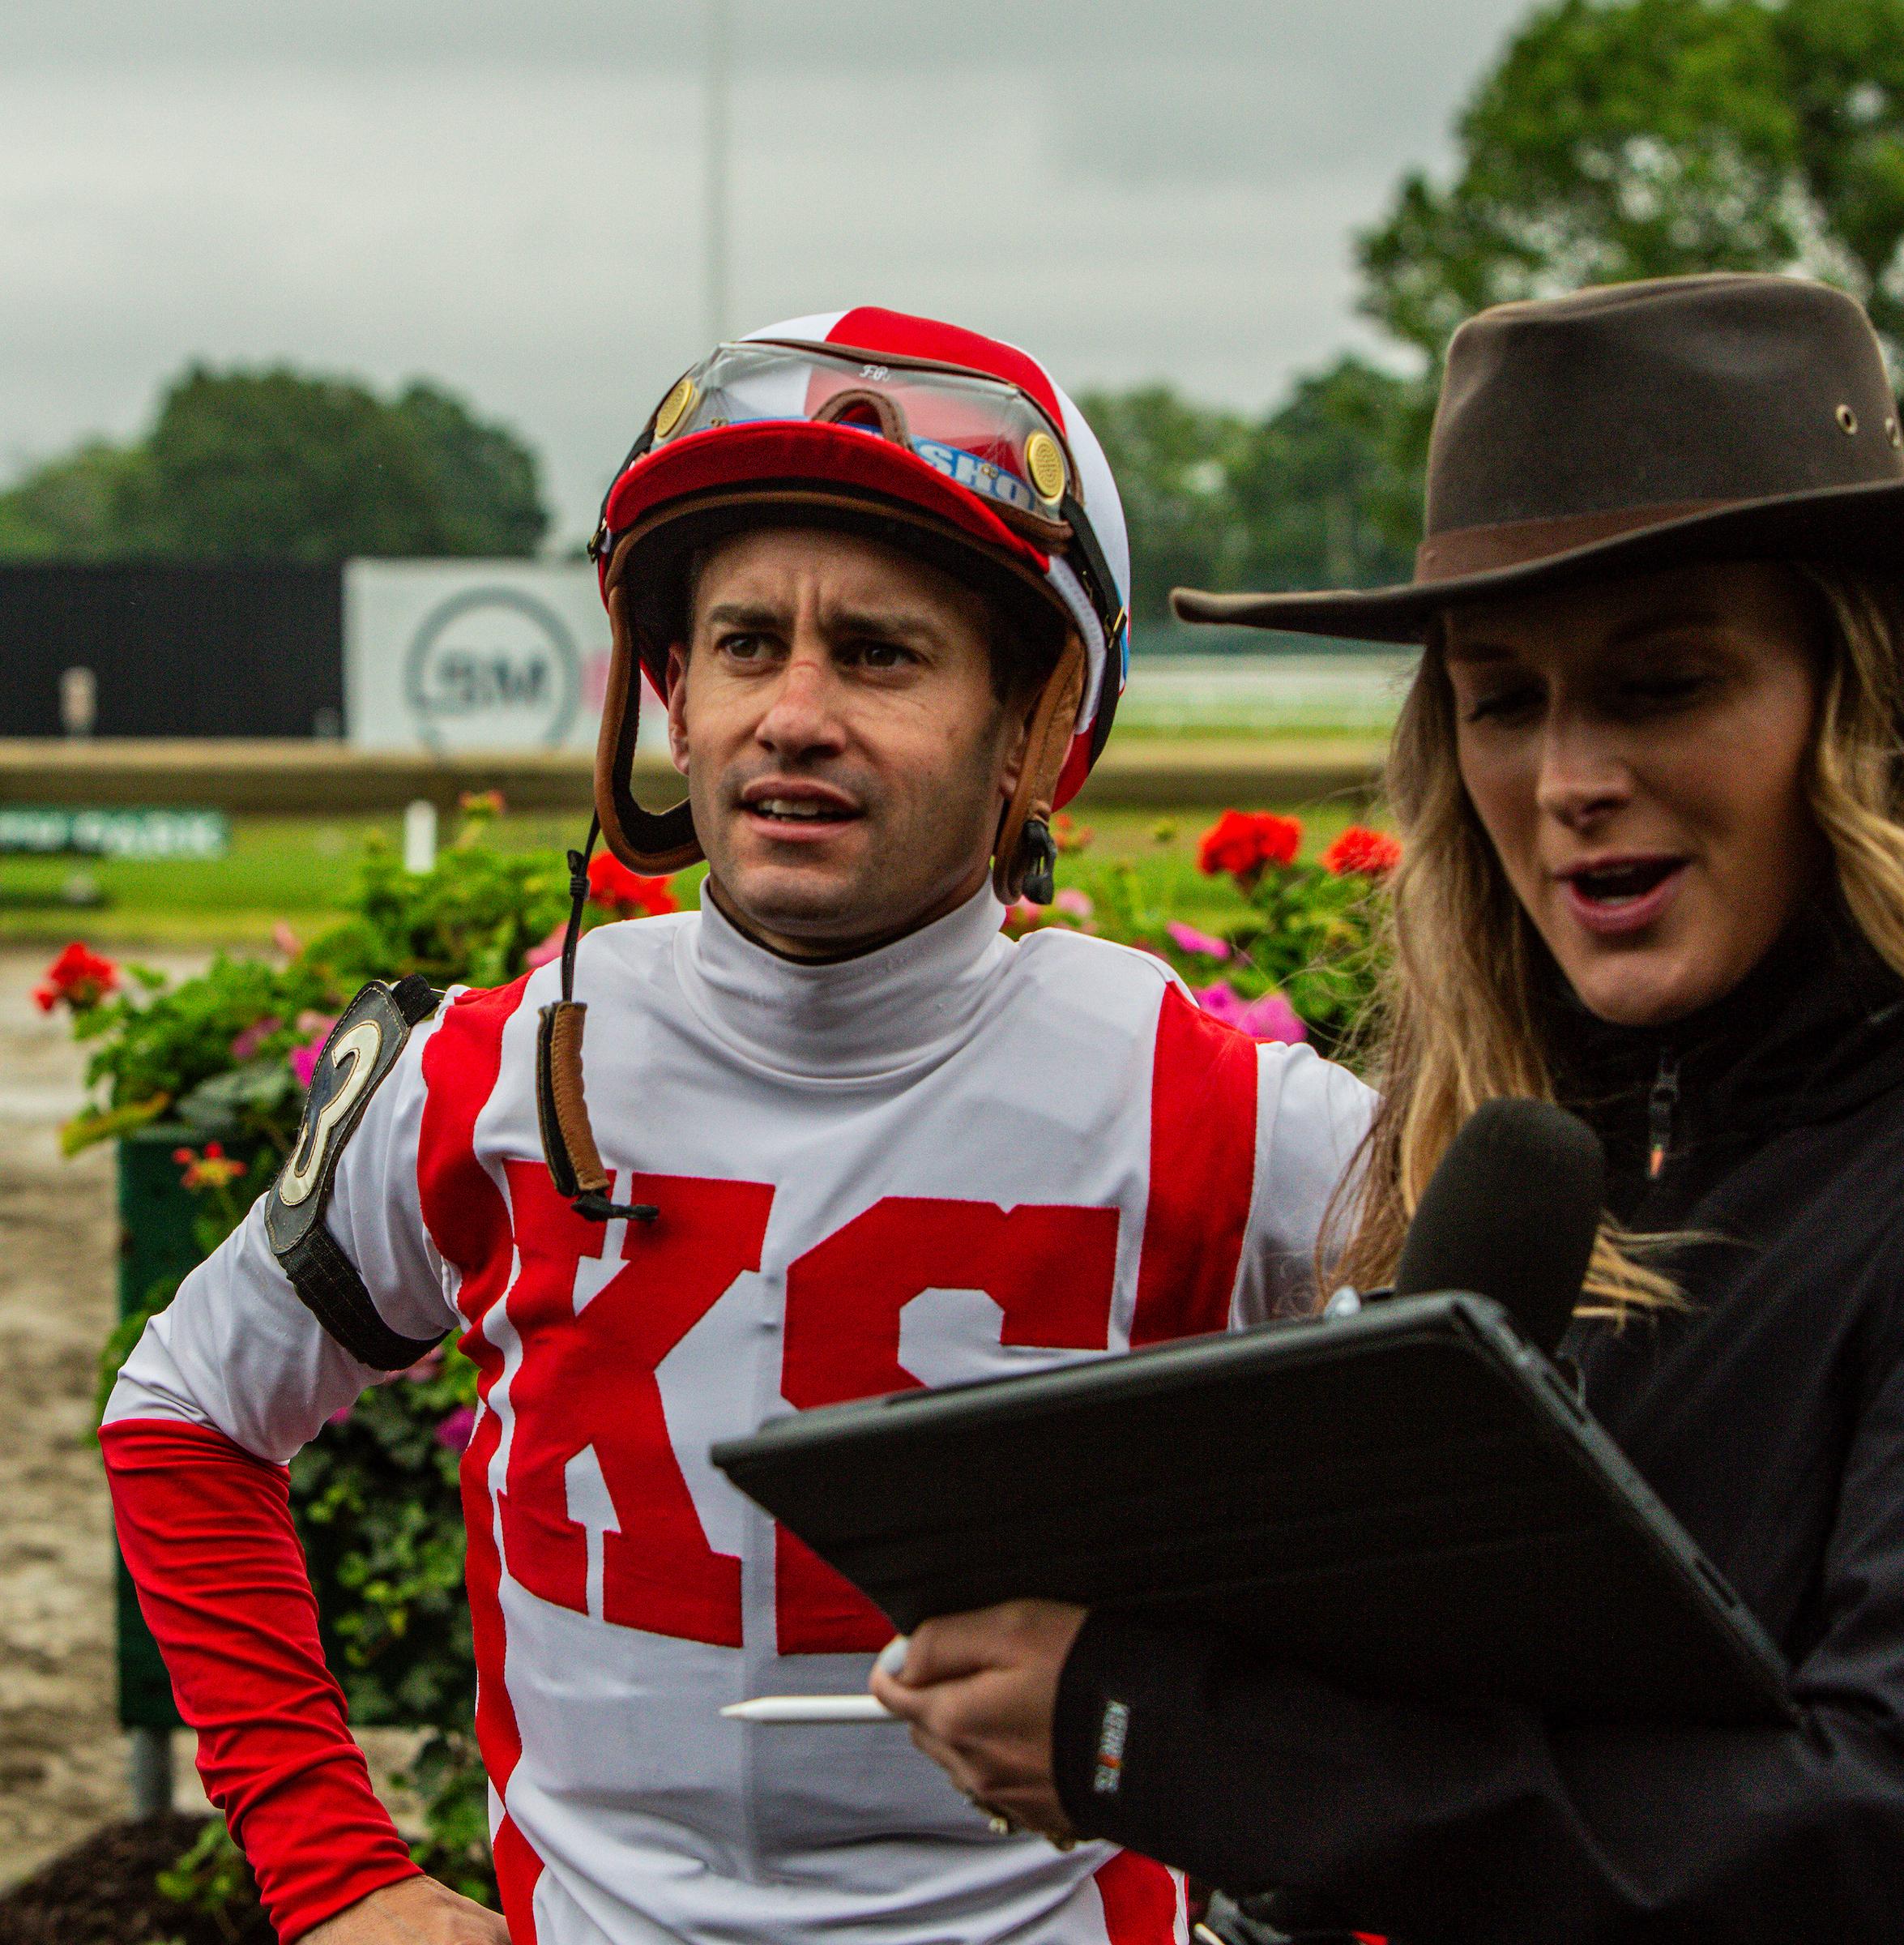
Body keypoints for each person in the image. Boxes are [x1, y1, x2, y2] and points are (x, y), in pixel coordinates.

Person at [100, 306, 1371, 1945]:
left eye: (881, 653)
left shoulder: (1227, 1118)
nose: (794, 713)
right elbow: (185, 1411)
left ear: (1037, 720)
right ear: (672, 696)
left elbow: (1520, 1553)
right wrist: (334, 1873)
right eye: (747, 643)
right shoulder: (485, 1074)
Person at [873, 273, 1904, 1941]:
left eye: (1659, 685)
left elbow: (1861, 1836)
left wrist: (1176, 1742)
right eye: (1501, 700)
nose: (1566, 780)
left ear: (1859, 705)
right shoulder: (1510, 1155)